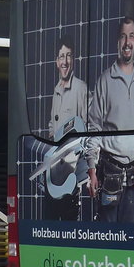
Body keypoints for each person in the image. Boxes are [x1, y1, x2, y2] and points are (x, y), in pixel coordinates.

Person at [86, 17, 134, 222]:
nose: (127, 42)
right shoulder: (105, 80)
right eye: (123, 36)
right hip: (109, 173)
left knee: (130, 239)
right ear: (118, 42)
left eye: (131, 36)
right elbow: (94, 127)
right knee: (109, 237)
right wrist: (92, 167)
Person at [44, 35, 88, 220]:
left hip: (73, 172)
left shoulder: (81, 89)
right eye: (62, 56)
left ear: (73, 59)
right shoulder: (55, 91)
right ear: (56, 61)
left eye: (68, 56)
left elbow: (88, 129)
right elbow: (52, 127)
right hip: (56, 171)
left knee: (70, 223)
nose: (65, 61)